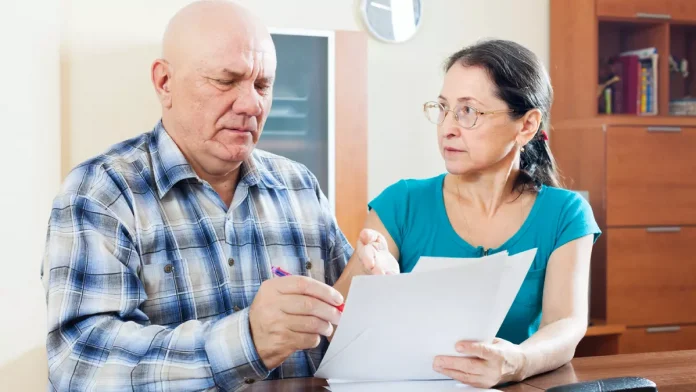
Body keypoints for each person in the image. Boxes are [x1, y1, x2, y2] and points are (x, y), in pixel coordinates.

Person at [41, 1, 394, 391]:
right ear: (165, 83)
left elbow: (340, 342)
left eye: (262, 86)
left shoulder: (300, 186)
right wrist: (247, 340)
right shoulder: (101, 193)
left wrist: (361, 288)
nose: (251, 105)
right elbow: (80, 366)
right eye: (226, 81)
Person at [357, 39, 601, 388]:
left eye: (468, 111)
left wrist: (517, 362)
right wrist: (377, 289)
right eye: (443, 108)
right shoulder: (400, 203)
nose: (447, 127)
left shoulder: (565, 213)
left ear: (527, 125)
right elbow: (336, 323)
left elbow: (566, 324)